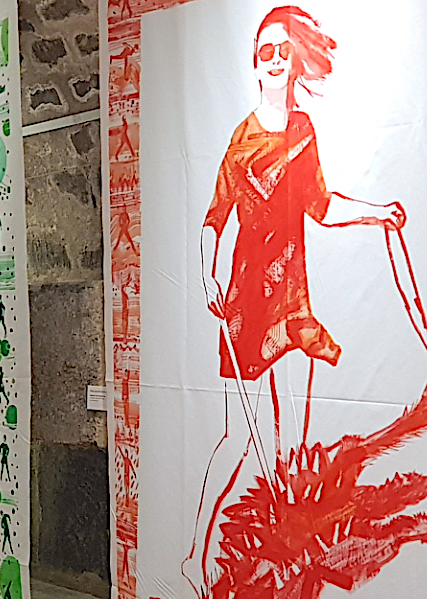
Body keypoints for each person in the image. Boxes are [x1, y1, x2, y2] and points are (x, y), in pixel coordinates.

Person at [183, 6, 406, 596]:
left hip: (291, 302)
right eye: (267, 51)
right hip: (246, 304)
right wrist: (207, 274)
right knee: (239, 438)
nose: (277, 59)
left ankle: (281, 558)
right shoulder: (243, 140)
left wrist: (377, 215)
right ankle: (195, 551)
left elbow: (321, 205)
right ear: (255, 65)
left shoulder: (303, 130)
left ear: (295, 59)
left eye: (285, 49)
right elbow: (214, 217)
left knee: (287, 441)